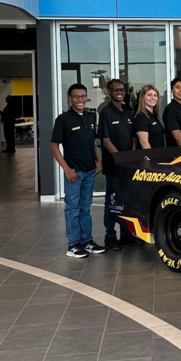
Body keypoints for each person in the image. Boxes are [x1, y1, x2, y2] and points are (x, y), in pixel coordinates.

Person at [50, 83, 105, 258]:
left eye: (83, 96)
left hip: (90, 171)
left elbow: (91, 142)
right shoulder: (63, 119)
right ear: (70, 98)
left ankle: (86, 241)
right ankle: (73, 245)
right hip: (74, 172)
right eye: (76, 97)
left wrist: (98, 161)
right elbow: (54, 146)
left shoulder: (90, 117)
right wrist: (66, 169)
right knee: (73, 208)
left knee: (85, 208)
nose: (80, 100)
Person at [99, 79, 138, 251]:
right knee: (112, 201)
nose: (120, 93)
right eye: (116, 90)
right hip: (114, 166)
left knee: (126, 200)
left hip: (128, 165)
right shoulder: (106, 112)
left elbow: (134, 139)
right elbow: (106, 141)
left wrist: (131, 155)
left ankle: (126, 236)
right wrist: (121, 158)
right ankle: (110, 237)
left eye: (122, 90)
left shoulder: (128, 112)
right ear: (109, 92)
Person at [134, 84, 165, 149]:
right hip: (151, 157)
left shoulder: (154, 116)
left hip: (160, 156)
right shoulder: (141, 117)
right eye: (149, 95)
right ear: (143, 97)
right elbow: (144, 143)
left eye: (155, 95)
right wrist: (153, 158)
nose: (153, 98)